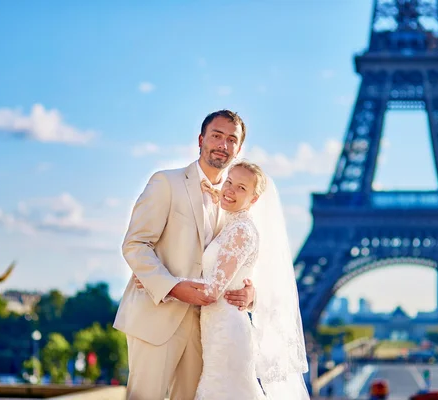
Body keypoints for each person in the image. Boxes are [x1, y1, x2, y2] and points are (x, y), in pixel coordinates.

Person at [113, 110, 256, 400]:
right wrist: (173, 287)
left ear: (238, 150)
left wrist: (250, 294)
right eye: (217, 136)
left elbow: (240, 261)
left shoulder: (235, 204)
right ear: (201, 139)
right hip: (157, 317)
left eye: (232, 139)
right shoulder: (166, 182)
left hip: (207, 330)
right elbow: (135, 244)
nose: (223, 145)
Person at [136, 160, 310, 399]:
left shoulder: (241, 231)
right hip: (214, 331)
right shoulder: (230, 222)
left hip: (226, 333)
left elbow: (211, 292)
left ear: (254, 199)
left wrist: (162, 282)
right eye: (229, 182)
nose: (230, 190)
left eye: (241, 188)